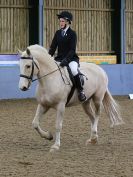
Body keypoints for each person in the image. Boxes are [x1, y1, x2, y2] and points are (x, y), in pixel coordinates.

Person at [48, 11, 86, 102]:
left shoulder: (72, 34)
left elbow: (72, 50)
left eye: (62, 21)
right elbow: (53, 47)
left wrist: (66, 60)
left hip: (71, 58)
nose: (61, 23)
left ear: (68, 22)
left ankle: (81, 91)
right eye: (60, 21)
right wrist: (49, 58)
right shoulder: (57, 33)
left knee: (73, 70)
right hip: (59, 58)